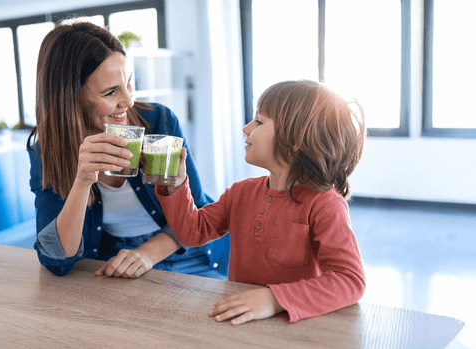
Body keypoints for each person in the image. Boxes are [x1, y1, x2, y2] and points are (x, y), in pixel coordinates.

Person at [26, 21, 229, 279]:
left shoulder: (158, 120)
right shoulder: (47, 152)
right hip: (116, 257)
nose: (128, 101)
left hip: (181, 248)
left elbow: (197, 209)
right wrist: (82, 182)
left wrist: (147, 253)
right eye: (111, 92)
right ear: (70, 98)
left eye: (129, 82)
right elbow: (55, 261)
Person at [157, 80, 367, 325]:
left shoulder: (325, 204)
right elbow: (192, 232)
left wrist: (274, 299)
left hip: (296, 324)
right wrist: (176, 184)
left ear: (296, 138)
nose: (246, 128)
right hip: (239, 318)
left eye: (259, 121)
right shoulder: (240, 192)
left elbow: (350, 280)